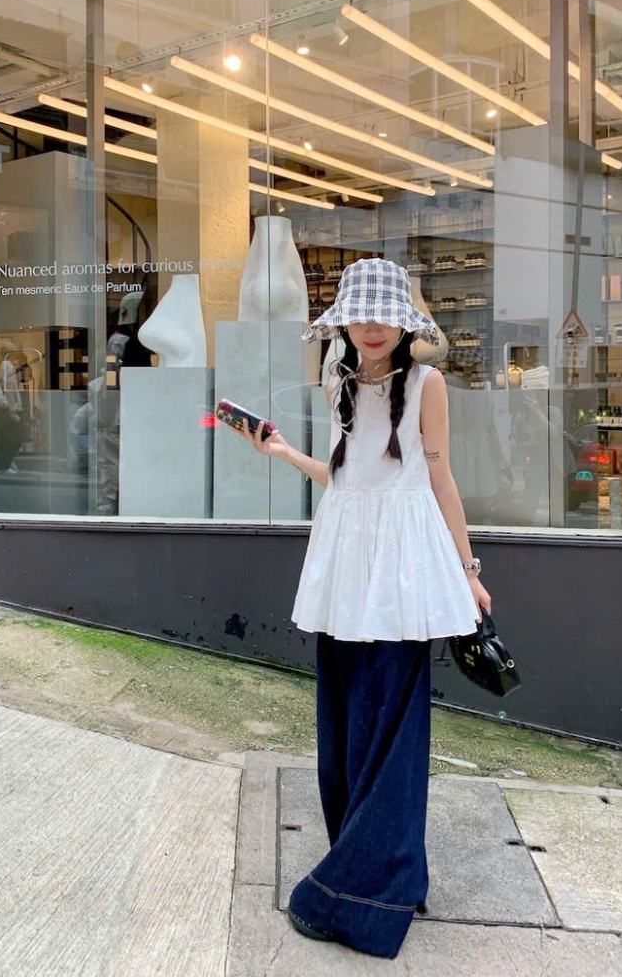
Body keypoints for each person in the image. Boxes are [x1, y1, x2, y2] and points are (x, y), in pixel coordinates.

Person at [237, 256, 492, 959]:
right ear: (343, 321)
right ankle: (379, 872)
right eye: (359, 314)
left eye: (384, 314)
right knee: (345, 726)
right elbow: (347, 477)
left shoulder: (427, 384)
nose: (372, 327)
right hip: (346, 565)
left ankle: (367, 892)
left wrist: (468, 570)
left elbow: (439, 479)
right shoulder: (337, 381)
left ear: (405, 321)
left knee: (390, 728)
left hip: (403, 568)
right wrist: (283, 452)